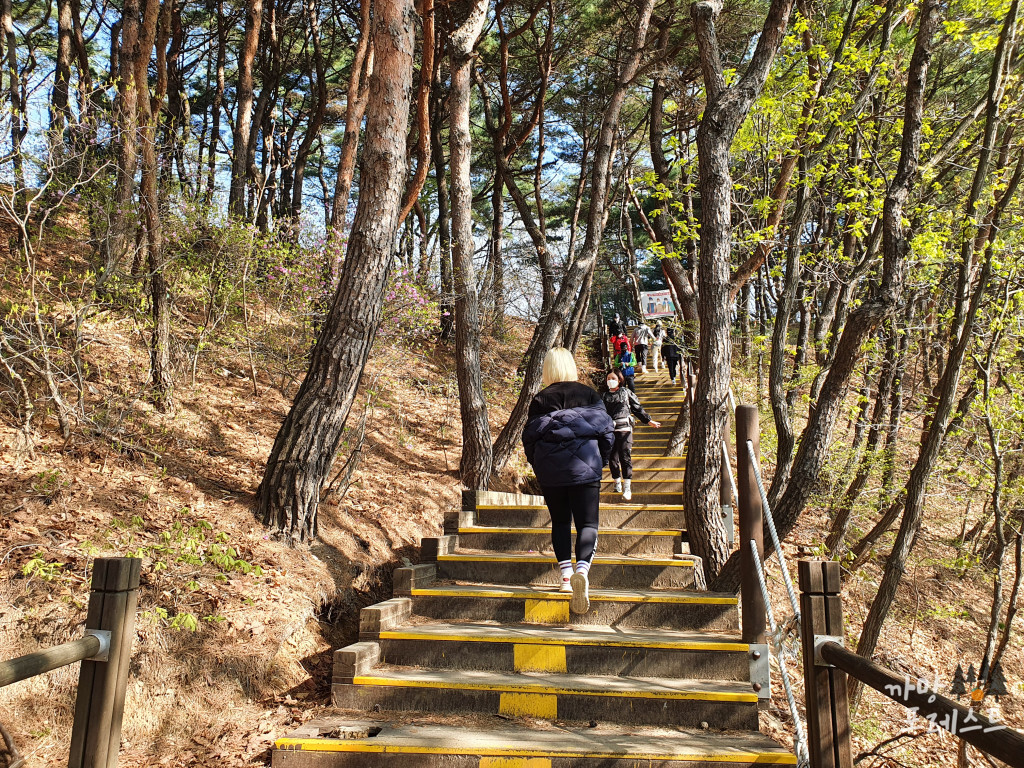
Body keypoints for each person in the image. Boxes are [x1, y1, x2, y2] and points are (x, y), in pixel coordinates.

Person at [522, 348, 614, 614]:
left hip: (551, 470)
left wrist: (537, 464)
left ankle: (565, 578)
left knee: (560, 522)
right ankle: (582, 572)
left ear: (548, 369)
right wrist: (602, 460)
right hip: (586, 466)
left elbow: (529, 437)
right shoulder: (589, 394)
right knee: (587, 524)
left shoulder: (540, 399)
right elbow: (608, 432)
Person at [602, 370, 660, 501]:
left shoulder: (626, 393)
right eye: (608, 378)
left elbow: (637, 408)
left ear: (620, 380)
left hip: (624, 429)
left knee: (625, 456)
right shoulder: (604, 396)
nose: (610, 380)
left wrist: (648, 420)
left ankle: (627, 487)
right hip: (610, 430)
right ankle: (617, 482)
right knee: (612, 458)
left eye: (613, 378)